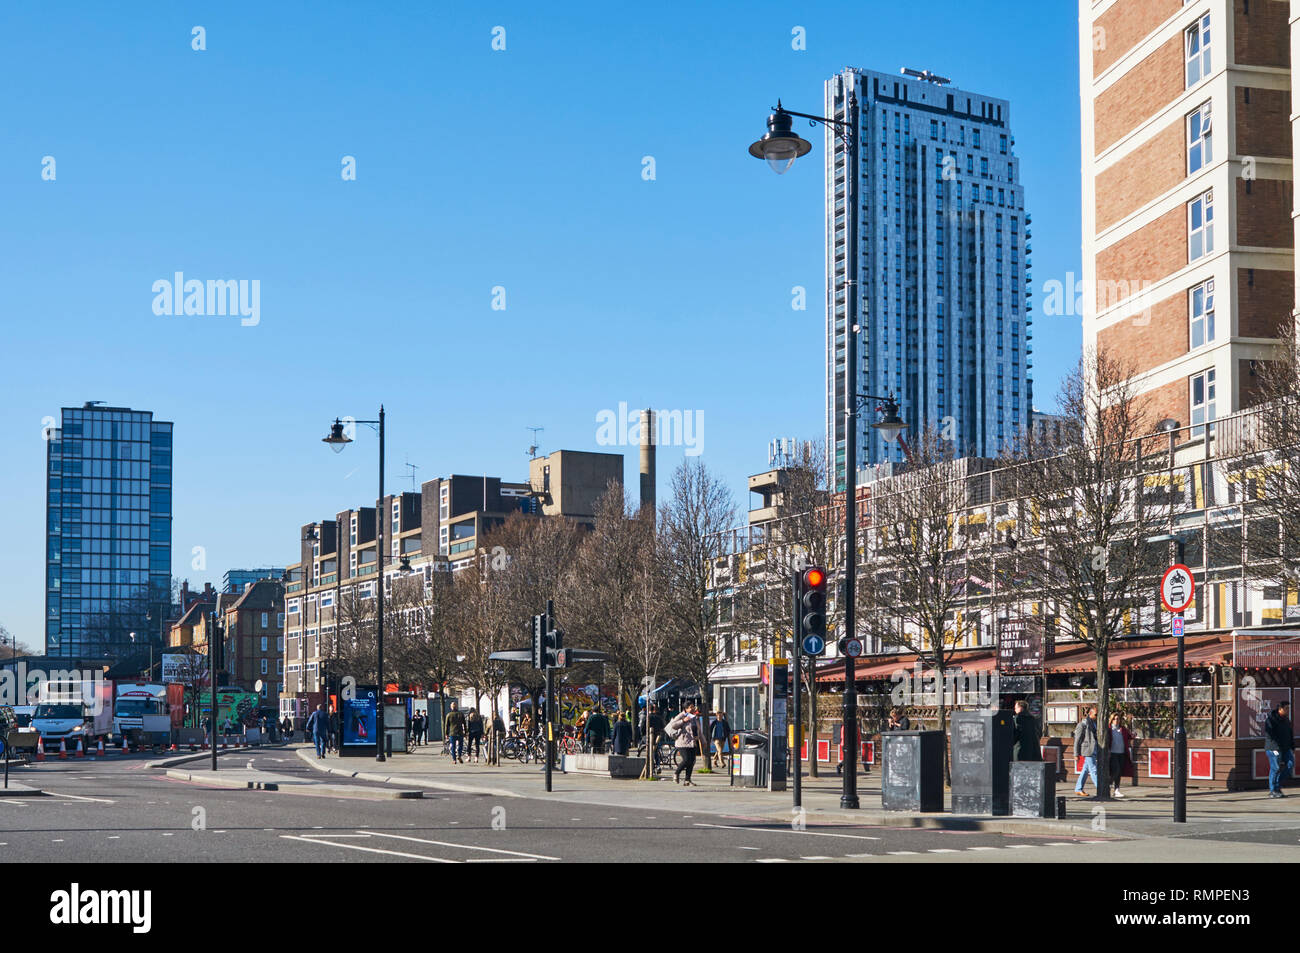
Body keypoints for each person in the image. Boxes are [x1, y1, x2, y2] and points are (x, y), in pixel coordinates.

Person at [1264, 701, 1294, 798]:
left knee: (1290, 765)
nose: (1287, 710)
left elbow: (1290, 734)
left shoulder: (1286, 720)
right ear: (1280, 709)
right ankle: (1273, 790)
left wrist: (1292, 747)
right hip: (1274, 748)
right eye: (1286, 708)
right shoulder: (1271, 719)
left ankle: (1277, 785)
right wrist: (1275, 748)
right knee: (1275, 768)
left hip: (1286, 748)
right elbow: (1269, 735)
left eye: (1288, 708)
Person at [668, 703, 702, 786]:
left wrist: (702, 740)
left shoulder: (693, 717)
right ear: (686, 709)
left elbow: (698, 729)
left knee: (692, 761)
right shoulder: (681, 715)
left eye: (693, 707)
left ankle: (687, 780)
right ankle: (676, 773)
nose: (693, 708)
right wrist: (683, 721)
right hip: (682, 742)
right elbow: (673, 725)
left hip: (692, 742)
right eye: (690, 707)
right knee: (686, 759)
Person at [1073, 706, 1100, 797]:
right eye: (1095, 715)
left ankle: (1078, 788)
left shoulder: (1095, 723)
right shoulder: (1083, 724)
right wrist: (1076, 754)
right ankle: (1100, 788)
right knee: (1093, 770)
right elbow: (1077, 740)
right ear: (1090, 713)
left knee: (1085, 769)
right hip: (1087, 750)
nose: (1097, 716)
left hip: (1094, 748)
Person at [1108, 711, 1131, 798]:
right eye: (1114, 719)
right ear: (1111, 720)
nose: (1116, 721)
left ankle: (1117, 790)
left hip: (1122, 753)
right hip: (1113, 753)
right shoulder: (1109, 729)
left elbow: (1129, 736)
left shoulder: (1122, 729)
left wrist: (1133, 735)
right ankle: (1108, 785)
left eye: (1118, 719)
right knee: (1115, 770)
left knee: (1119, 772)